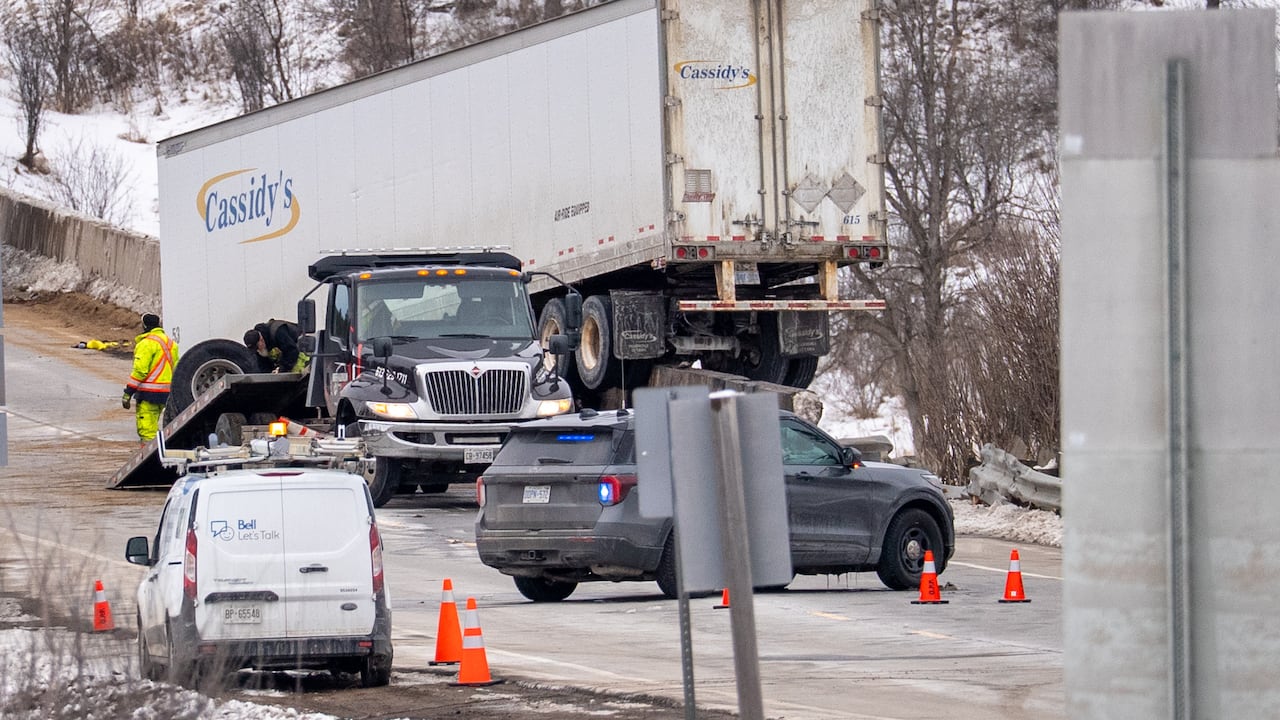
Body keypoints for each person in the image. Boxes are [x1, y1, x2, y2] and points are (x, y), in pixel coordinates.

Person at [122, 313, 178, 443]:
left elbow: (140, 371)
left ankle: (151, 453)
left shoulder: (146, 344)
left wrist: (128, 392)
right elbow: (176, 367)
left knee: (147, 431)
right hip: (166, 393)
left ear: (144, 325)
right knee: (160, 426)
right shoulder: (171, 344)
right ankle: (160, 449)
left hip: (148, 394)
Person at [243, 319, 309, 373]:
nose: (257, 350)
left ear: (261, 340)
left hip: (303, 353)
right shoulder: (260, 347)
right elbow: (263, 365)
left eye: (257, 347)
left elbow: (291, 351)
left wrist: (281, 369)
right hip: (290, 358)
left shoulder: (278, 332)